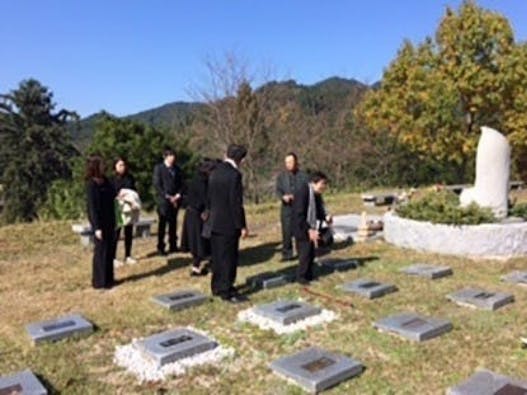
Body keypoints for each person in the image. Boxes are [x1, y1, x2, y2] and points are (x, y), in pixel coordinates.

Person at [207, 144, 249, 303]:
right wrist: (242, 225)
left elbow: (209, 197)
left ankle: (216, 286)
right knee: (229, 257)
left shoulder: (215, 171)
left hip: (214, 220)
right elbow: (236, 203)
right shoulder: (234, 175)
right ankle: (227, 290)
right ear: (241, 159)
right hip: (229, 222)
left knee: (217, 256)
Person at [292, 171, 332, 285]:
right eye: (322, 183)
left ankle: (309, 275)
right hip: (301, 226)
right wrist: (308, 230)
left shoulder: (316, 194)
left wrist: (326, 217)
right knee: (305, 253)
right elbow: (299, 214)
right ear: (314, 183)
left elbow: (319, 210)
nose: (324, 187)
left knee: (311, 252)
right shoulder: (303, 192)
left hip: (311, 226)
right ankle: (301, 277)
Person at [180, 159, 218, 276]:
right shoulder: (202, 182)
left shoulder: (196, 179)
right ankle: (198, 266)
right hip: (197, 214)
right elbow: (205, 198)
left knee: (197, 242)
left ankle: (198, 265)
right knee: (200, 242)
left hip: (192, 213)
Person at [86, 155, 117, 290]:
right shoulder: (91, 185)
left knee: (110, 250)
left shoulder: (106, 181)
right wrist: (96, 227)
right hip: (100, 222)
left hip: (110, 219)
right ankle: (99, 281)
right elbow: (92, 207)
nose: (105, 167)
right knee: (101, 251)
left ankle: (109, 279)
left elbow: (113, 194)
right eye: (102, 165)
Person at [275, 152, 309, 261]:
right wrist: (283, 197)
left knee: (300, 231)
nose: (288, 164)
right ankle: (287, 254)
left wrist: (297, 197)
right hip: (286, 208)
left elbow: (307, 191)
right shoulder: (281, 176)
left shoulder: (303, 176)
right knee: (286, 232)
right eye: (286, 162)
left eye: (291, 162)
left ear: (296, 162)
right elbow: (278, 190)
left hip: (300, 207)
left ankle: (302, 253)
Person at [153, 148, 184, 256]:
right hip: (164, 201)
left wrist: (178, 195)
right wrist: (167, 196)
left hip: (175, 200)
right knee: (162, 224)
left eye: (173, 156)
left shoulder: (177, 169)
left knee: (173, 223)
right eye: (170, 156)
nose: (172, 158)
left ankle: (173, 245)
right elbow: (157, 185)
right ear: (165, 157)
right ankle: (161, 247)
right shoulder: (159, 169)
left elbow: (181, 184)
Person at [112, 157, 139, 266]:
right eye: (120, 165)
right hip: (118, 208)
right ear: (115, 166)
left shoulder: (130, 177)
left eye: (123, 165)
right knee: (116, 233)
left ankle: (128, 255)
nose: (122, 167)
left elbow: (134, 190)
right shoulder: (112, 179)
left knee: (129, 232)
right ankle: (113, 257)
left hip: (129, 208)